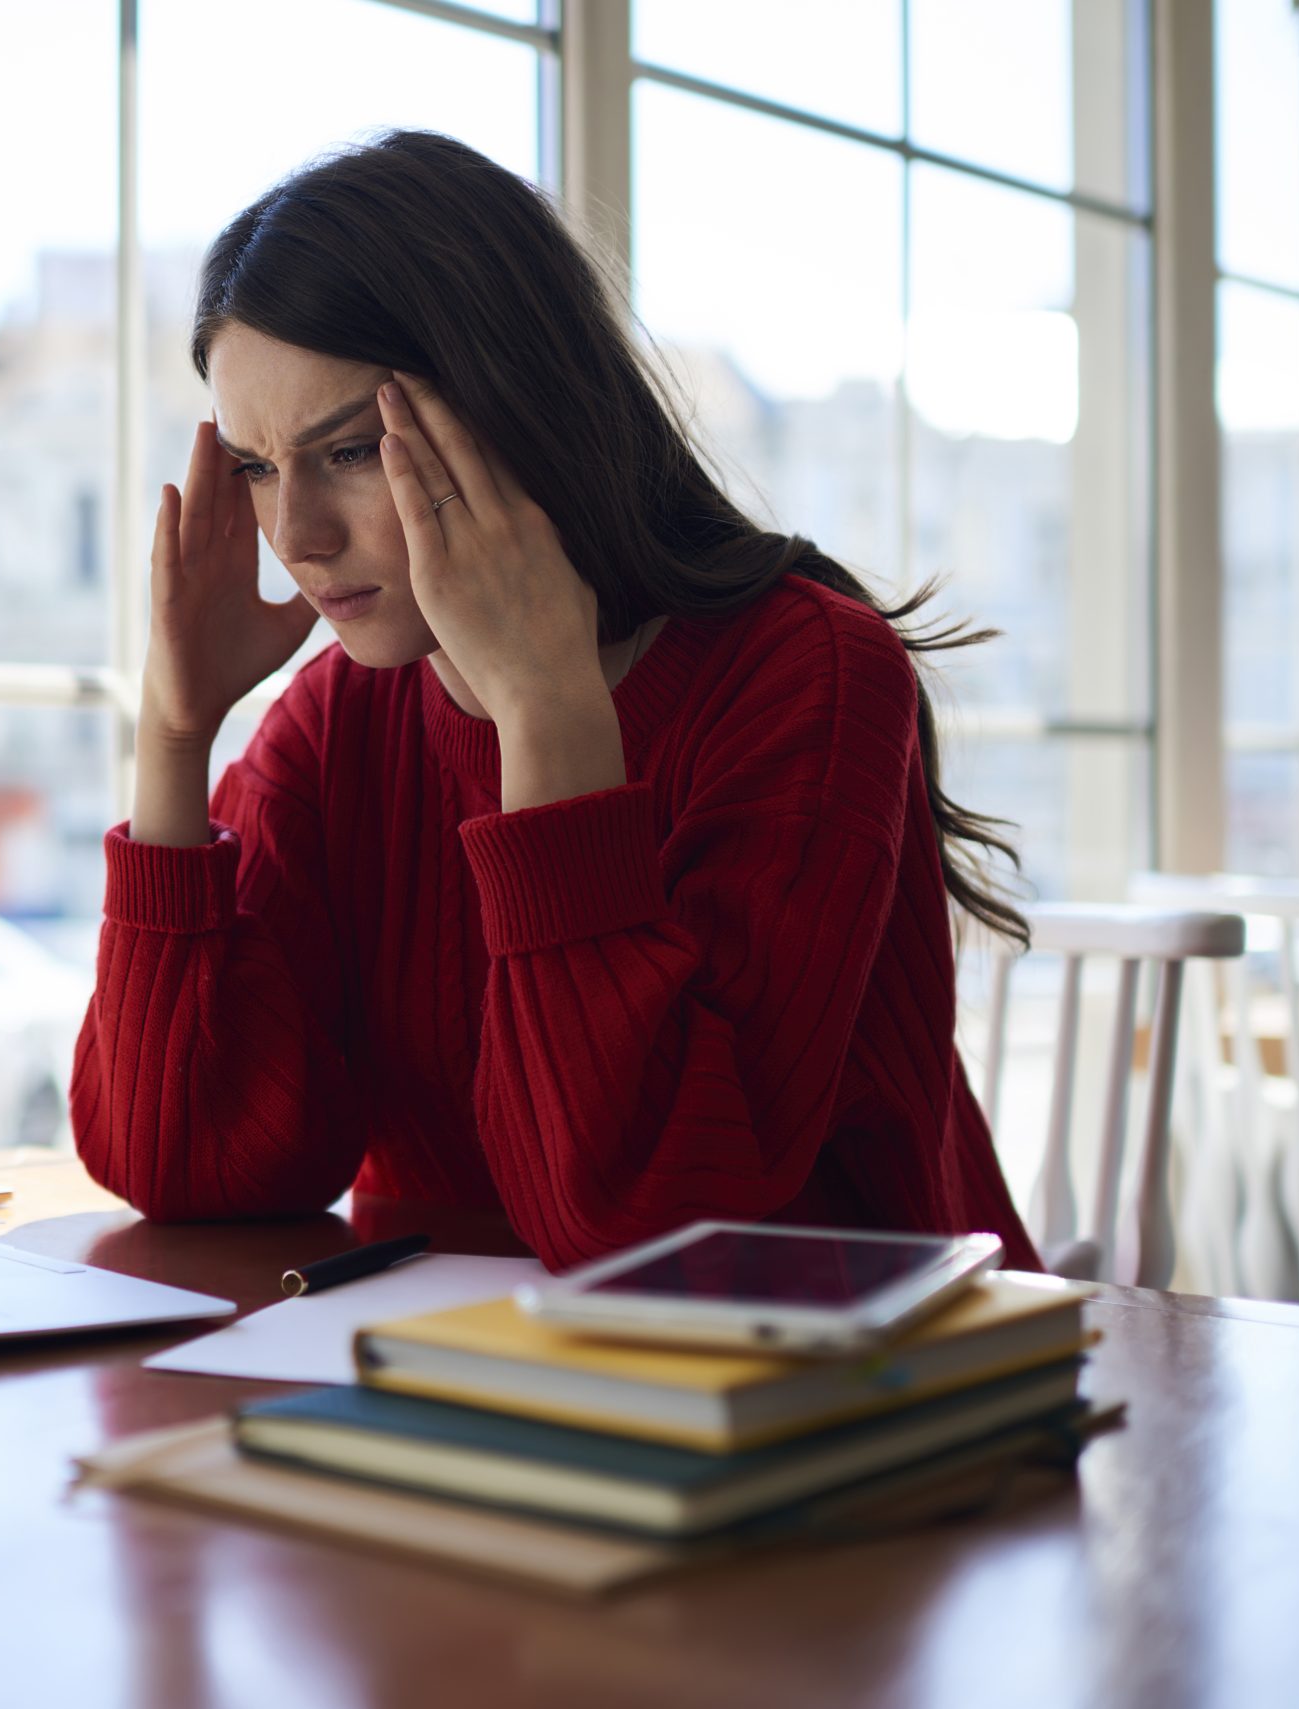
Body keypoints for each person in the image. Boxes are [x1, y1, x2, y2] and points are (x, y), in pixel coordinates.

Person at [70, 130, 1041, 1274]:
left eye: (346, 452)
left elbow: (640, 1223)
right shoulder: (339, 718)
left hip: (845, 1386)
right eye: (254, 466)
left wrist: (543, 713)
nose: (296, 538)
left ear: (517, 402)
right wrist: (175, 741)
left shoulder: (809, 672)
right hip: (455, 1387)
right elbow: (184, 1166)